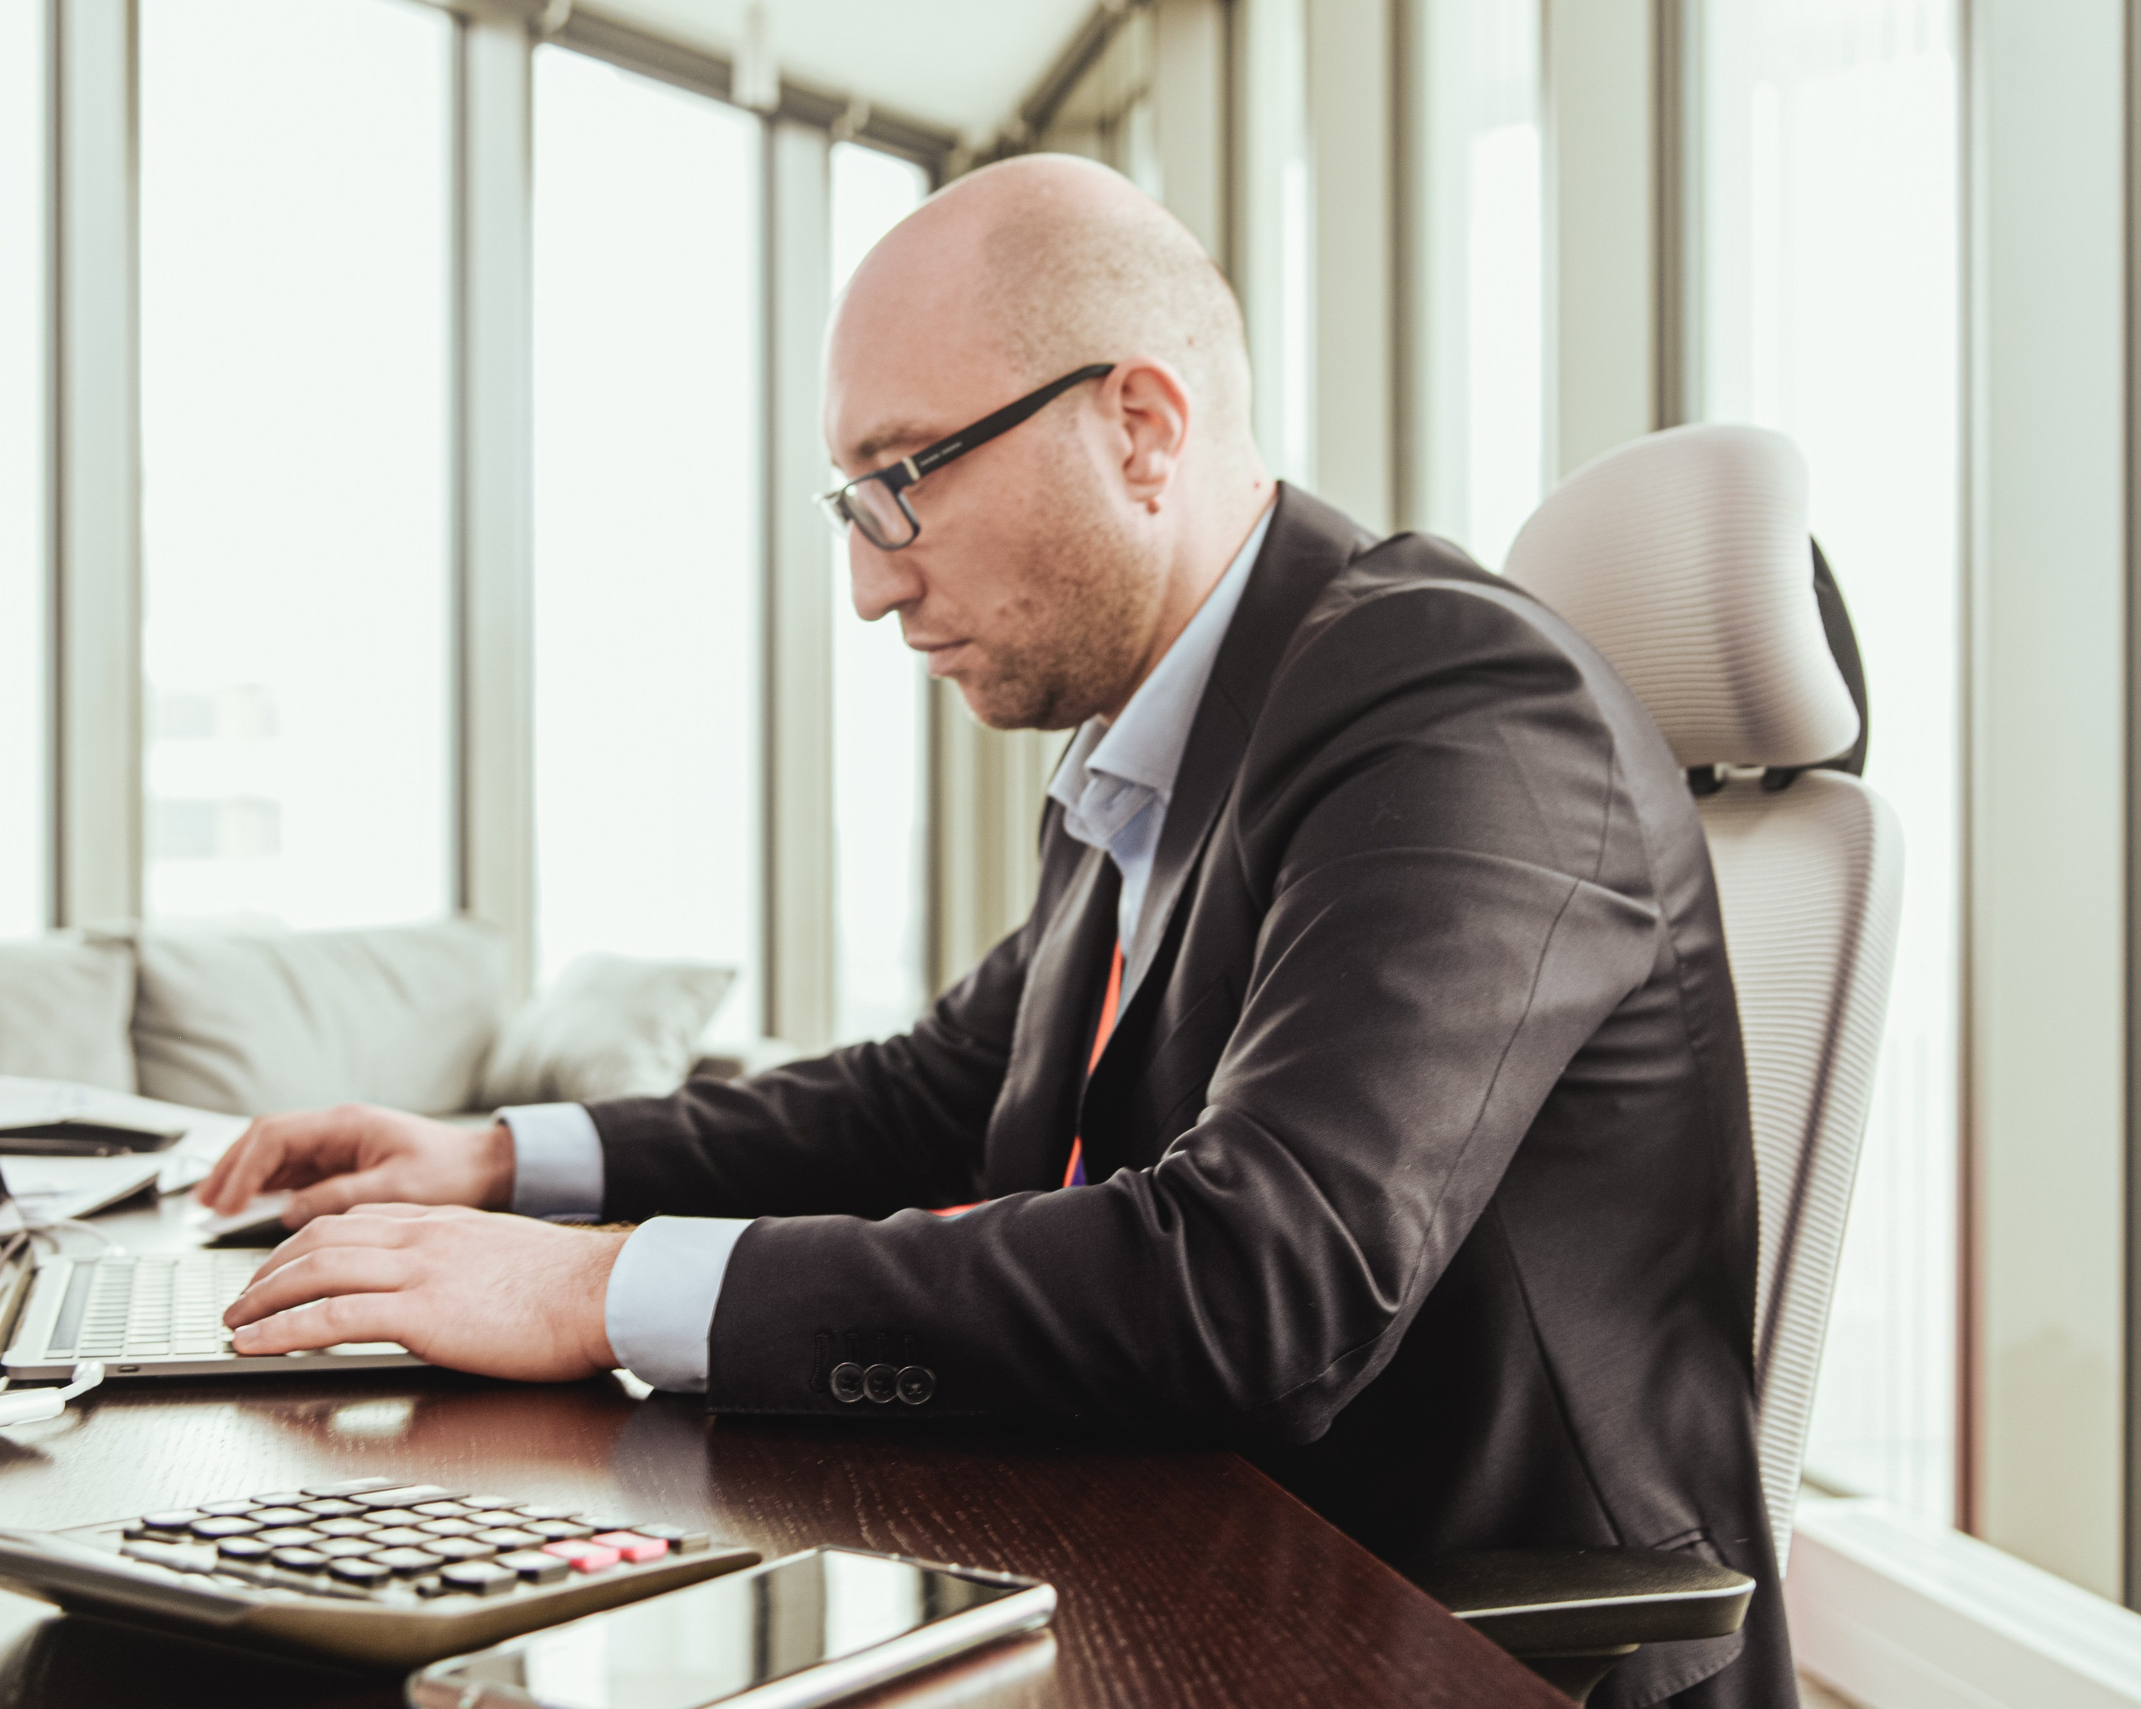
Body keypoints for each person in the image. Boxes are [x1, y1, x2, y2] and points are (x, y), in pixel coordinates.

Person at [197, 154, 1789, 1708]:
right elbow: (928, 1093)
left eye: (901, 480)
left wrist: (587, 1292)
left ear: (1141, 430)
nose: (871, 589)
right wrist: (499, 1164)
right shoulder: (1153, 755)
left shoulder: (1460, 712)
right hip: (1173, 1561)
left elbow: (1256, 1283)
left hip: (1409, 1634)